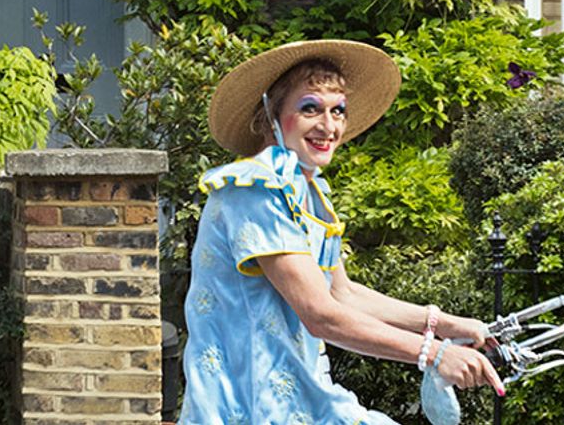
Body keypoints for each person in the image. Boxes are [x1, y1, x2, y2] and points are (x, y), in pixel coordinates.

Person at [179, 40, 503, 424]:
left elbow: (341, 293)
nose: (328, 126)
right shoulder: (254, 190)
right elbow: (321, 315)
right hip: (249, 404)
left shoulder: (307, 190)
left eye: (338, 111)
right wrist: (433, 353)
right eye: (310, 108)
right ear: (271, 115)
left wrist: (447, 324)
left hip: (301, 394)